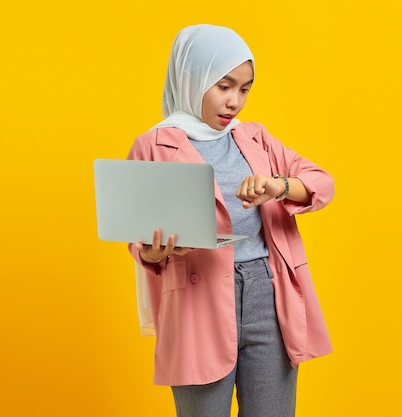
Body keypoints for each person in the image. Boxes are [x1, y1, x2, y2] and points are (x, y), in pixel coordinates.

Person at [127, 24, 334, 417]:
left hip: (268, 294)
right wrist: (153, 251)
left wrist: (279, 185)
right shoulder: (153, 145)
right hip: (195, 298)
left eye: (244, 89)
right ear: (191, 77)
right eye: (223, 86)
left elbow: (321, 183)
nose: (234, 102)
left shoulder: (256, 137)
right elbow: (138, 234)